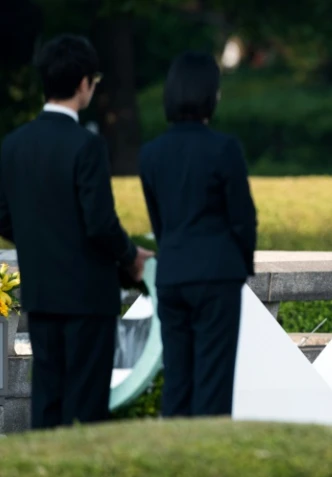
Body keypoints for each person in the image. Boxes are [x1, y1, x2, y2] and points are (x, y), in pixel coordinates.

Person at [0, 34, 153, 429]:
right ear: (85, 82)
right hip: (87, 297)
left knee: (47, 404)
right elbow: (100, 223)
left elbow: (2, 215)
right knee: (85, 410)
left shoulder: (13, 145)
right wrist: (130, 256)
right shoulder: (87, 146)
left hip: (42, 294)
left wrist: (40, 237)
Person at [139, 51, 257, 417]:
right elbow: (243, 219)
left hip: (173, 275)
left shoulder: (150, 153)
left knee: (177, 378)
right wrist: (240, 263)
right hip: (216, 274)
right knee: (213, 380)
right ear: (211, 94)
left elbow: (160, 223)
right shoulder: (224, 149)